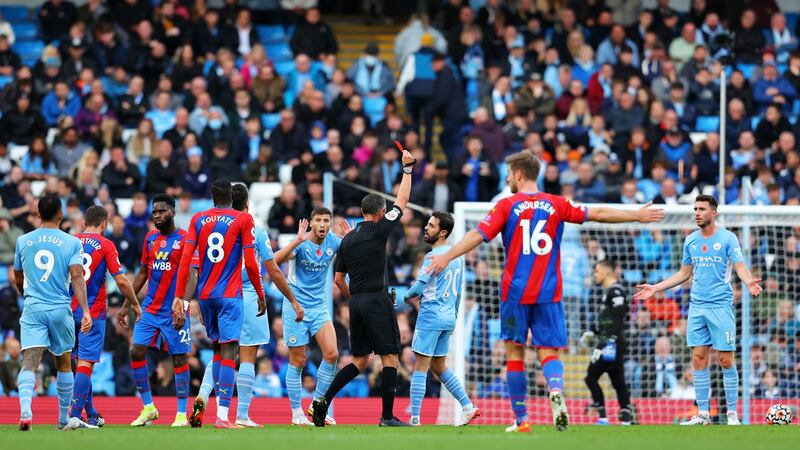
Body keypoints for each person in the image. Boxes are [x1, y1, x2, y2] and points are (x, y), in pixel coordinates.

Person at [426, 151, 664, 433]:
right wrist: (636, 215)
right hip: (548, 291)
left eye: (508, 174)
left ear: (517, 174)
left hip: (515, 292)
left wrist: (448, 255)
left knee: (514, 352)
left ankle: (521, 419)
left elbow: (478, 234)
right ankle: (555, 392)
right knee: (548, 351)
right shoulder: (557, 203)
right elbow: (597, 213)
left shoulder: (505, 205)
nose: (506, 179)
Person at [172, 179, 293, 428]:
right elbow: (252, 263)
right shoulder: (246, 223)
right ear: (244, 203)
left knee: (217, 350)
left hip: (205, 296)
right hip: (233, 294)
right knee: (234, 353)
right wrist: (261, 293)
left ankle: (204, 397)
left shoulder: (197, 219)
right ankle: (225, 416)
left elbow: (186, 260)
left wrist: (180, 297)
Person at [311, 144, 417, 427]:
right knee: (390, 357)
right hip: (376, 301)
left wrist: (354, 297)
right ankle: (386, 416)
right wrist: (407, 170)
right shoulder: (380, 229)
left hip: (356, 302)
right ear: (380, 213)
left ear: (362, 211)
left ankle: (321, 400)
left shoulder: (348, 238)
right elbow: (403, 202)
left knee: (358, 360)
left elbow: (337, 280)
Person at [634, 195, 763, 426]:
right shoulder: (691, 241)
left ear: (714, 212)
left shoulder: (728, 238)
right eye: (695, 209)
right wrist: (656, 287)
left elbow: (740, 266)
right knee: (698, 358)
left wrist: (749, 281)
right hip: (697, 307)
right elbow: (684, 274)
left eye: (702, 209)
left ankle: (732, 415)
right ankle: (702, 414)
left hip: (721, 307)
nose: (696, 213)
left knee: (725, 359)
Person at [14, 195, 92, 431]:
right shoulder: (71, 242)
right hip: (59, 308)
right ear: (60, 214)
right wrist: (86, 310)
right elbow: (77, 276)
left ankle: (26, 411)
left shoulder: (23, 240)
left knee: (30, 362)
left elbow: (18, 277)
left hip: (34, 307)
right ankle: (61, 419)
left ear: (38, 214)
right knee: (64, 363)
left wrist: (26, 295)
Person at [272, 208, 351, 425]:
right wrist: (297, 240)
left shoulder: (334, 242)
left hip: (319, 307)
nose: (323, 224)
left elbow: (354, 253)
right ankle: (296, 413)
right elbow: (274, 261)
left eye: (326, 220)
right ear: (312, 223)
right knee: (298, 360)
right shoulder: (302, 242)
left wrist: (350, 238)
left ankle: (317, 405)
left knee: (332, 353)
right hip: (295, 306)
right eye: (318, 220)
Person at [68, 206, 142, 427]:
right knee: (86, 363)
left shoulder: (70, 241)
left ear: (84, 223)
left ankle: (90, 413)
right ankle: (73, 415)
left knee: (77, 363)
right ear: (104, 224)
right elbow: (120, 280)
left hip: (67, 310)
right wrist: (135, 305)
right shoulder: (106, 245)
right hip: (93, 311)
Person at [404, 212, 479, 427]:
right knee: (439, 366)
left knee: (420, 366)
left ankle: (415, 418)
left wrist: (406, 297)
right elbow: (457, 295)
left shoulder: (433, 257)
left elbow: (418, 287)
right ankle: (468, 406)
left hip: (430, 316)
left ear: (443, 232)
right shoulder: (456, 258)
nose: (426, 228)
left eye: (431, 225)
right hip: (447, 317)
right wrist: (454, 318)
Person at [128, 194, 193, 427]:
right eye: (155, 212)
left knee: (178, 358)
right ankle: (148, 408)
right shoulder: (149, 238)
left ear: (173, 212)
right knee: (136, 352)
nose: (157, 215)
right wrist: (128, 302)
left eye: (162, 211)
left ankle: (181, 414)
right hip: (150, 308)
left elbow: (192, 275)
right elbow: (143, 272)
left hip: (173, 310)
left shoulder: (186, 239)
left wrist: (183, 305)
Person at [582, 259, 633, 426]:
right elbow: (609, 321)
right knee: (618, 381)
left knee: (591, 377)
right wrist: (593, 332)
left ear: (606, 271)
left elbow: (619, 317)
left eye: (597, 271)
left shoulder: (616, 290)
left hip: (610, 344)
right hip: (611, 342)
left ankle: (603, 416)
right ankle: (626, 417)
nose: (595, 274)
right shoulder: (608, 292)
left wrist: (610, 340)